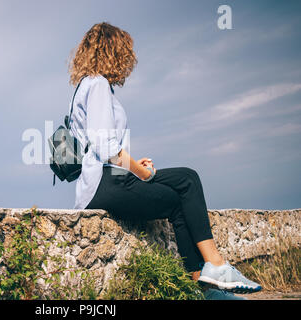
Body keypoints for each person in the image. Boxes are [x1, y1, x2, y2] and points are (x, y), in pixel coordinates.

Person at [67, 22, 261, 300]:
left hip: (104, 180)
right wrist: (141, 173)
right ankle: (213, 269)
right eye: (125, 52)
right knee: (187, 180)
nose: (128, 61)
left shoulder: (86, 87)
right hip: (104, 182)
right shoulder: (97, 84)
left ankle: (204, 282)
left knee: (179, 189)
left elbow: (98, 145)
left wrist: (135, 165)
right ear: (113, 50)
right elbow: (105, 147)